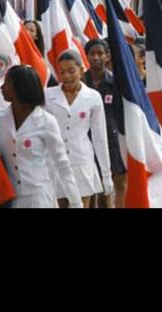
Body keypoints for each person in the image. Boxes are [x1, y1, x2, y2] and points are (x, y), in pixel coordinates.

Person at [0, 65, 83, 208]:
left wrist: (76, 202)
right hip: (9, 197)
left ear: (21, 88)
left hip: (38, 196)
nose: (2, 87)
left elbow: (62, 164)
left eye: (7, 83)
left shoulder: (46, 121)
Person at [45, 49, 113, 209]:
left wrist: (106, 174)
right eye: (62, 72)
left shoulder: (93, 97)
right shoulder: (47, 95)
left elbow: (99, 137)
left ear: (81, 70)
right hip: (55, 160)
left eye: (71, 71)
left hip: (82, 160)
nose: (66, 76)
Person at [83, 39, 128, 208]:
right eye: (92, 54)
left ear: (107, 56)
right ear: (86, 56)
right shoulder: (81, 82)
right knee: (91, 190)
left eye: (100, 53)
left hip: (113, 141)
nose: (96, 57)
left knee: (115, 188)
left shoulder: (116, 83)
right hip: (88, 141)